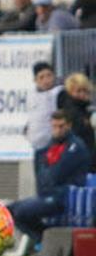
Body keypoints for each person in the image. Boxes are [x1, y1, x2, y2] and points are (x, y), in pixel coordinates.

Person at [8, 110, 91, 246]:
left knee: (21, 211)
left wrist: (46, 169)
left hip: (65, 196)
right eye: (54, 126)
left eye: (61, 126)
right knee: (9, 210)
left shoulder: (76, 147)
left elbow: (56, 174)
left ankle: (44, 242)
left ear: (69, 125)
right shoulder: (49, 146)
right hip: (47, 195)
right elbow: (42, 175)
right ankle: (45, 241)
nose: (57, 130)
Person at [58, 73, 96, 171]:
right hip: (78, 162)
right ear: (70, 91)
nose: (82, 94)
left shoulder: (85, 109)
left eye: (85, 91)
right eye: (78, 91)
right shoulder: (71, 110)